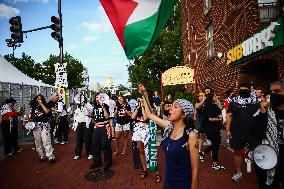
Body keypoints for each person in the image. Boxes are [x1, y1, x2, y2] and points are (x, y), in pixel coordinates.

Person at [139, 84, 199, 189]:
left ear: (184, 114)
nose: (170, 109)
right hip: (168, 182)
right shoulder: (169, 127)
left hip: (183, 184)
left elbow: (195, 170)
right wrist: (144, 94)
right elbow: (149, 115)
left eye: (175, 107)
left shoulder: (191, 135)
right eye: (171, 106)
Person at [251, 81, 284, 189]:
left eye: (277, 91)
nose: (273, 94)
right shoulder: (263, 112)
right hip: (268, 159)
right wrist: (262, 112)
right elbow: (256, 134)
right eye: (271, 92)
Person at [226, 82, 259, 182]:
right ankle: (239, 172)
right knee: (237, 152)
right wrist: (227, 130)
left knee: (257, 152)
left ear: (250, 90)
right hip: (237, 132)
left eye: (245, 89)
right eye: (241, 89)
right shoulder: (234, 102)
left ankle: (259, 175)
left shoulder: (256, 102)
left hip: (253, 132)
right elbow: (229, 116)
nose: (243, 91)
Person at [131, 98, 161, 183]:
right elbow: (133, 117)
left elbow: (145, 118)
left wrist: (144, 107)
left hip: (147, 129)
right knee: (141, 151)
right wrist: (139, 107)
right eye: (140, 100)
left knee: (150, 151)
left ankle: (156, 172)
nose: (141, 101)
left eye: (143, 100)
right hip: (137, 129)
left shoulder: (151, 108)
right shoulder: (138, 107)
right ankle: (144, 169)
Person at [199, 93, 225, 170]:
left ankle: (202, 153)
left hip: (209, 128)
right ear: (211, 98)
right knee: (216, 145)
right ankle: (215, 163)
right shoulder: (211, 106)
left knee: (216, 143)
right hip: (212, 128)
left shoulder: (207, 106)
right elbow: (210, 118)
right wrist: (220, 119)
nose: (217, 97)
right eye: (215, 96)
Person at [30, 94, 56, 163]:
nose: (39, 100)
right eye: (38, 99)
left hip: (44, 125)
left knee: (46, 141)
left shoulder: (45, 105)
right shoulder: (33, 107)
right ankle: (42, 156)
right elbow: (32, 117)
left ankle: (50, 156)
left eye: (40, 99)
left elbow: (47, 111)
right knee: (38, 142)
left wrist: (41, 104)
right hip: (35, 126)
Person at [90, 93, 112, 171]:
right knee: (95, 145)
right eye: (96, 97)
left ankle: (108, 162)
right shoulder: (94, 106)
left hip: (104, 127)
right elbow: (93, 117)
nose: (97, 99)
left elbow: (107, 117)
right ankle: (97, 162)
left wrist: (103, 106)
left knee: (105, 146)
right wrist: (94, 123)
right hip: (96, 128)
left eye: (99, 97)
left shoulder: (106, 106)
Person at [73, 94, 93, 160]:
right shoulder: (77, 106)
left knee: (87, 139)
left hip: (86, 124)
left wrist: (85, 106)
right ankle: (77, 153)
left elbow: (91, 111)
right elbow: (73, 113)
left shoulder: (87, 104)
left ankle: (90, 153)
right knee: (78, 139)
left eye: (80, 98)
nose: (79, 99)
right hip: (79, 124)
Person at [194, 92, 206, 162]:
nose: (201, 97)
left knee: (202, 137)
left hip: (205, 121)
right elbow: (197, 107)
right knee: (198, 136)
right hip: (199, 121)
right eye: (200, 96)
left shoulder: (205, 103)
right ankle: (195, 150)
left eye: (202, 96)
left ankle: (199, 151)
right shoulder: (197, 103)